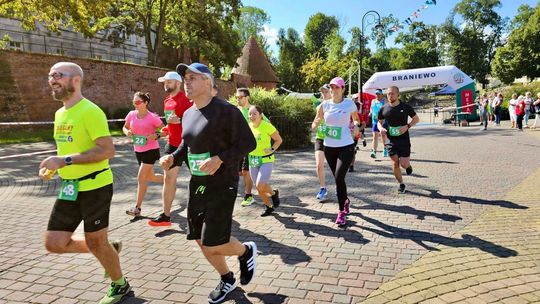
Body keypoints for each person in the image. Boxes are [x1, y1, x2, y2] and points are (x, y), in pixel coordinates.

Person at [159, 63, 257, 304]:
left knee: (215, 241)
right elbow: (187, 145)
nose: (187, 82)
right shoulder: (189, 113)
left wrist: (220, 159)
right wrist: (173, 157)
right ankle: (226, 277)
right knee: (200, 238)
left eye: (193, 78)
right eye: (185, 78)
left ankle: (246, 251)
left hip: (223, 183)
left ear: (208, 83)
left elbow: (249, 143)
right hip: (198, 184)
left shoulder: (226, 111)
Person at [39, 62, 130, 304]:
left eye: (58, 75)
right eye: (50, 75)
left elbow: (107, 150)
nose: (53, 79)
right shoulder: (60, 113)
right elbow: (69, 149)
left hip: (95, 186)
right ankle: (109, 247)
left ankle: (120, 285)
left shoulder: (90, 111)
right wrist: (55, 167)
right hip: (70, 187)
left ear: (76, 79)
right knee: (55, 243)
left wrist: (65, 160)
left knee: (95, 241)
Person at [311, 77, 363, 226]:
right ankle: (345, 200)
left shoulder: (349, 104)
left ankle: (341, 212)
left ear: (343, 89)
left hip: (346, 145)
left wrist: (357, 126)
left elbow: (356, 119)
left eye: (337, 88)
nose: (334, 91)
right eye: (332, 88)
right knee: (338, 179)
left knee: (339, 177)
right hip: (329, 147)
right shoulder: (324, 105)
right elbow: (317, 119)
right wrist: (315, 125)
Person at [148, 71, 192, 227]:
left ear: (178, 83)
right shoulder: (167, 100)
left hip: (189, 145)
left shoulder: (186, 100)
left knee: (201, 179)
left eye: (169, 82)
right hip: (173, 144)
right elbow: (169, 123)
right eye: (164, 82)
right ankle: (166, 215)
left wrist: (180, 120)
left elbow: (197, 119)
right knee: (168, 178)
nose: (166, 84)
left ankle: (209, 209)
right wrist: (163, 132)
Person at [123, 92, 165, 216]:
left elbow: (165, 130)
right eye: (134, 102)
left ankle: (137, 209)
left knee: (141, 178)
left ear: (145, 103)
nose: (135, 104)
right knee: (150, 177)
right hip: (138, 150)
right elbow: (124, 127)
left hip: (151, 150)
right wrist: (127, 132)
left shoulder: (152, 117)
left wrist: (156, 135)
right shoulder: (131, 114)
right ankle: (169, 179)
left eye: (138, 102)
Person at [377, 86, 420, 194]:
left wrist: (407, 126)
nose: (390, 96)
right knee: (395, 163)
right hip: (390, 140)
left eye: (392, 93)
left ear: (398, 94)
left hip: (404, 139)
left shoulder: (405, 107)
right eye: (388, 94)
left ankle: (408, 166)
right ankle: (401, 184)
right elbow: (379, 122)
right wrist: (381, 128)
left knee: (404, 164)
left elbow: (416, 119)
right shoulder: (384, 108)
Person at [247, 105, 283, 216]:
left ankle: (273, 194)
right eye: (250, 114)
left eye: (254, 114)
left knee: (260, 184)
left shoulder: (267, 126)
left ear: (260, 115)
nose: (252, 116)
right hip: (252, 159)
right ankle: (269, 205)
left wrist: (272, 149)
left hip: (266, 160)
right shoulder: (248, 126)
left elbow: (278, 140)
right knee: (259, 188)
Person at [235, 88, 267, 206]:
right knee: (240, 172)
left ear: (247, 97)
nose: (238, 99)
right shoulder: (235, 110)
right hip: (237, 146)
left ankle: (248, 196)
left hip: (250, 146)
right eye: (236, 97)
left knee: (245, 170)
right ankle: (267, 190)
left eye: (240, 97)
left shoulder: (253, 110)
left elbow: (266, 124)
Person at [313, 84, 330, 200]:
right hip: (320, 138)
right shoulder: (319, 107)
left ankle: (341, 188)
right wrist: (316, 123)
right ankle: (323, 188)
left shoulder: (336, 107)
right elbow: (313, 127)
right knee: (319, 165)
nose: (323, 94)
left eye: (326, 91)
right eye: (322, 92)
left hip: (332, 139)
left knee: (335, 168)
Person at [369, 89, 388, 159]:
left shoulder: (385, 101)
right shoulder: (373, 101)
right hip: (375, 121)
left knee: (383, 136)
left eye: (379, 94)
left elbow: (388, 109)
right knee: (375, 136)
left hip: (383, 121)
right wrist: (370, 113)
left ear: (382, 94)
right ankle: (374, 151)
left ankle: (385, 149)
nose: (377, 95)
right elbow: (371, 109)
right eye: (376, 94)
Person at [349, 95, 367, 172]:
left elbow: (364, 124)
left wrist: (358, 129)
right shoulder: (344, 113)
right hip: (345, 135)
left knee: (352, 150)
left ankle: (351, 166)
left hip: (354, 134)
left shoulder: (358, 115)